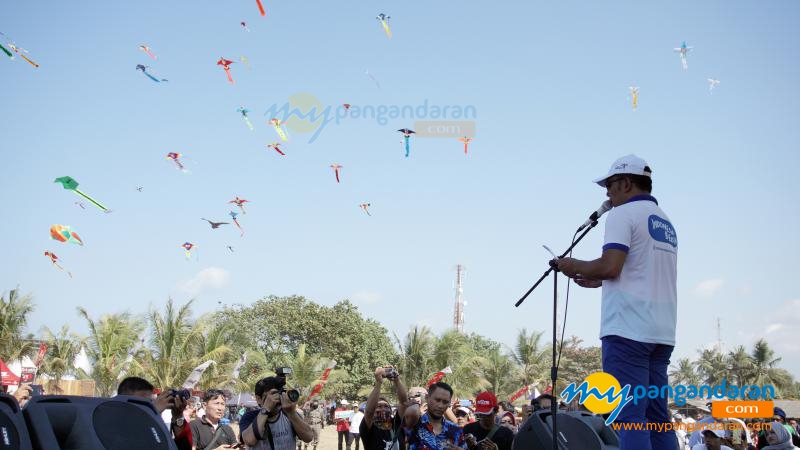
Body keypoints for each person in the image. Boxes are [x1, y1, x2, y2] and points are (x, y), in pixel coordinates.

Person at [555, 154, 678, 450]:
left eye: (609, 186)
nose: (607, 193)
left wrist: (573, 265)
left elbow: (610, 266)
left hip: (628, 330)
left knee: (629, 416)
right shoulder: (665, 220)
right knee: (657, 416)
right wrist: (598, 279)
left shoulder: (622, 215)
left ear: (625, 183)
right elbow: (636, 271)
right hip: (661, 332)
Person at [116, 376, 192, 450]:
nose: (148, 406)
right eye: (141, 404)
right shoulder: (113, 429)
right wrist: (151, 413)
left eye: (150, 402)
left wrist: (177, 415)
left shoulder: (154, 426)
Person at [240, 376, 314, 449]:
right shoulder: (250, 416)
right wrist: (266, 409)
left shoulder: (289, 413)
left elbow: (308, 437)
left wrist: (292, 413)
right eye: (272, 395)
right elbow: (249, 441)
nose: (276, 399)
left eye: (279, 394)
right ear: (258, 399)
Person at [404, 381, 465, 449]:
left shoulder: (456, 430)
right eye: (437, 400)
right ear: (427, 398)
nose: (440, 406)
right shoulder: (414, 425)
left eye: (445, 402)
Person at [361, 365, 409, 450]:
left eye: (387, 406)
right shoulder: (369, 427)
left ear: (391, 411)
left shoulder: (396, 424)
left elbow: (404, 402)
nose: (383, 409)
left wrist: (397, 380)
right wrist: (378, 382)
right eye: (379, 406)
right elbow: (369, 411)